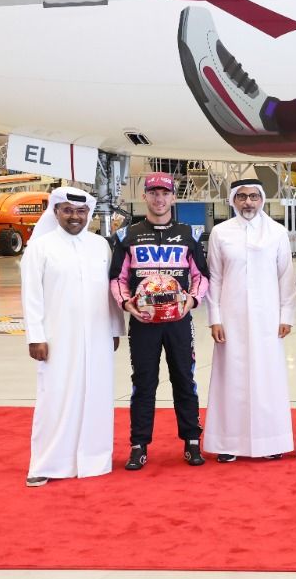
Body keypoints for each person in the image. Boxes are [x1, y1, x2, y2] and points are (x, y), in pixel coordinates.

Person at [21, 188, 123, 487]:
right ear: (56, 212)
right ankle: (46, 463)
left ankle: (94, 460)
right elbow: (32, 296)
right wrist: (35, 337)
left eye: (80, 212)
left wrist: (116, 329)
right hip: (57, 338)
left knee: (97, 396)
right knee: (55, 397)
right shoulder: (40, 247)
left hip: (98, 335)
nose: (75, 217)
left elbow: (110, 292)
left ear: (88, 215)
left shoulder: (99, 245)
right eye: (68, 211)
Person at [109, 172, 209, 470]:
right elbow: (117, 278)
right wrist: (126, 303)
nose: (159, 198)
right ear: (145, 196)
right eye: (153, 193)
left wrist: (192, 300)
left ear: (173, 197)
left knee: (184, 379)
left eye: (164, 193)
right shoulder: (127, 235)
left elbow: (202, 275)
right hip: (143, 322)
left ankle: (192, 441)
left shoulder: (189, 233)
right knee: (144, 382)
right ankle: (139, 445)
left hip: (179, 321)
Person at [204, 179, 296, 461]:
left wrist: (286, 315)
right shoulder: (220, 233)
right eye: (242, 197)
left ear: (262, 199)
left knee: (267, 379)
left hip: (268, 319)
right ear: (233, 200)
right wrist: (215, 318)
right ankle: (228, 444)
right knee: (230, 379)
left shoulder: (277, 233)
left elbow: (286, 277)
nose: (248, 202)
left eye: (254, 196)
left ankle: (270, 443)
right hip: (230, 320)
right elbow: (215, 279)